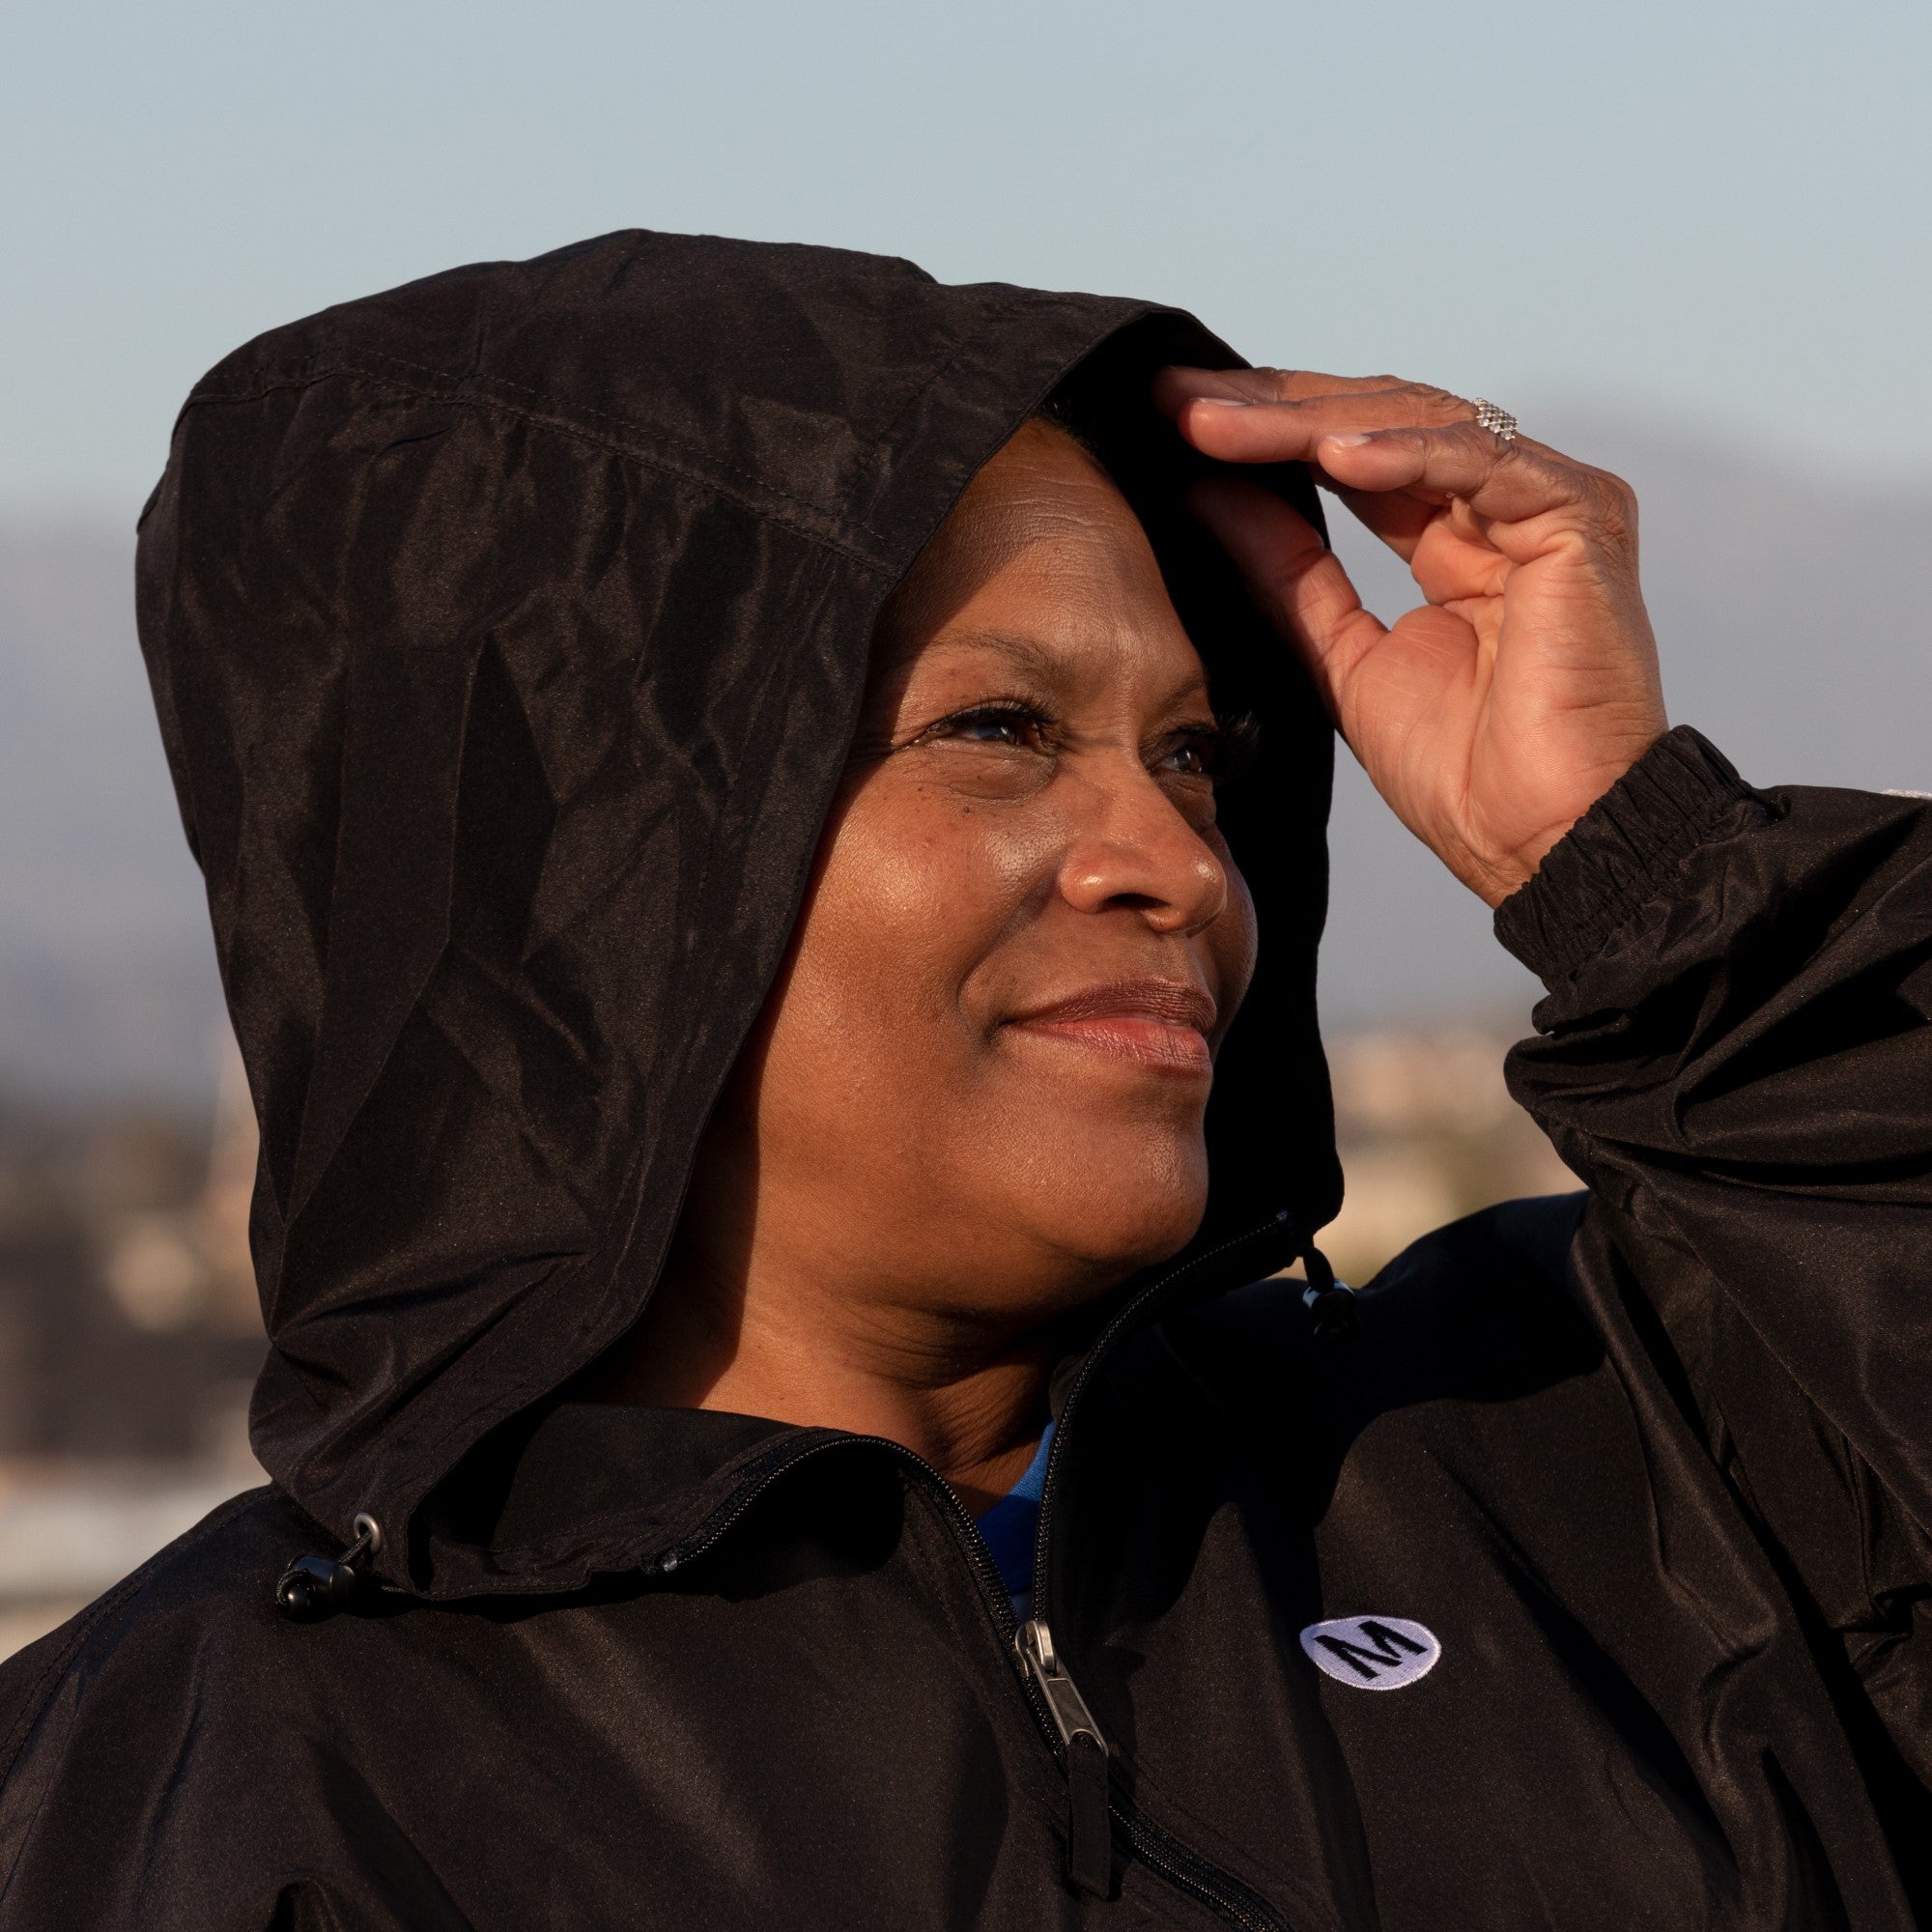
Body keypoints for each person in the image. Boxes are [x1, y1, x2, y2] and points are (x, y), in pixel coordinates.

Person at [0, 230, 1925, 1930]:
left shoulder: (1624, 1449)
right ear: (575, 877)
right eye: (998, 729)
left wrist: (1653, 879)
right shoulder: (205, 1782)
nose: (1176, 861)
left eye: (1190, 754)